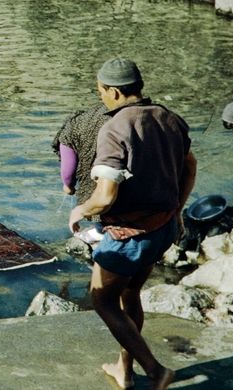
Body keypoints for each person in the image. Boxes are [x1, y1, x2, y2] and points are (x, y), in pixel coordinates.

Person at [68, 58, 196, 389]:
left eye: (100, 92)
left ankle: (156, 371)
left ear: (112, 91)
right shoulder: (169, 118)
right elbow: (190, 166)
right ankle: (124, 371)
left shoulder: (114, 129)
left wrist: (81, 209)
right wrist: (178, 210)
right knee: (130, 293)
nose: (101, 99)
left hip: (130, 237)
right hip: (163, 227)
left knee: (102, 299)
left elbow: (106, 195)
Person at [51, 103, 110, 207]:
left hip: (96, 198)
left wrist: (69, 185)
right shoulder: (142, 114)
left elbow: (68, 172)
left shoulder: (77, 123)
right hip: (141, 196)